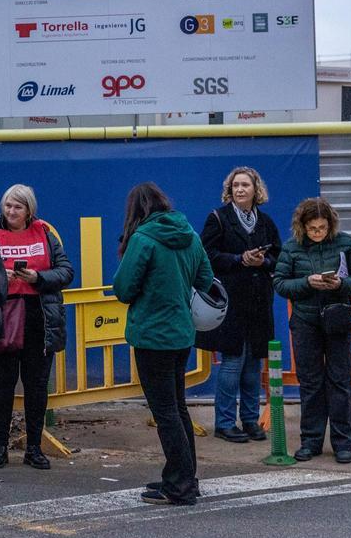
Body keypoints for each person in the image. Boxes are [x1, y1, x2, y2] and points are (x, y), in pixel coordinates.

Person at [112, 182, 213, 506]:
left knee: (166, 412)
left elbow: (124, 289)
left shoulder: (143, 239)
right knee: (178, 408)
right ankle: (186, 478)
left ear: (135, 210)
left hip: (152, 335)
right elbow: (206, 280)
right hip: (182, 333)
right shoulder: (190, 235)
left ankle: (179, 486)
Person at [274, 197, 351, 465]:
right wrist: (307, 282)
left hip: (338, 319)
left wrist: (340, 284)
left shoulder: (345, 243)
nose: (318, 233)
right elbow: (280, 284)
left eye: (322, 228)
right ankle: (311, 441)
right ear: (302, 227)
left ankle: (343, 443)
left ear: (331, 225)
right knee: (311, 383)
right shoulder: (292, 247)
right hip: (305, 322)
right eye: (313, 228)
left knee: (340, 382)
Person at [0, 184, 74, 470]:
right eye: (8, 205)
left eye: (18, 207)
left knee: (37, 387)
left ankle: (34, 448)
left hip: (39, 319)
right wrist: (2, 278)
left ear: (29, 211)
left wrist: (37, 277)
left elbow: (66, 272)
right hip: (1, 318)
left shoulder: (45, 234)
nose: (11, 211)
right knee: (2, 387)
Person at [196, 167, 281, 444]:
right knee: (232, 362)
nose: (240, 189)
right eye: (235, 185)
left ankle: (249, 420)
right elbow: (205, 255)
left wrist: (264, 262)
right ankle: (224, 423)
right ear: (229, 190)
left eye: (245, 185)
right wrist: (239, 259)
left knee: (253, 364)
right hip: (230, 301)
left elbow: (279, 257)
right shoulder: (218, 219)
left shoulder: (265, 222)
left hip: (258, 300)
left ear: (256, 190)